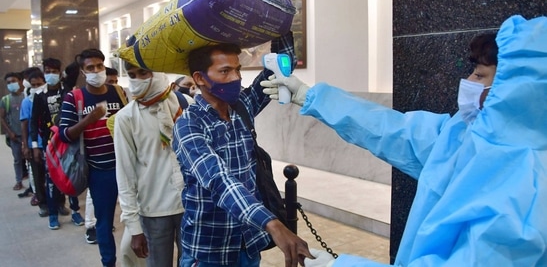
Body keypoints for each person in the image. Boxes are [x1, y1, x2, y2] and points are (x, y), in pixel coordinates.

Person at [262, 15, 547, 266]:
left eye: (480, 74)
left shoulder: (526, 191)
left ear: (516, 95)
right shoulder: (467, 134)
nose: (469, 80)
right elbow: (394, 130)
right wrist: (310, 97)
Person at [172, 39, 312, 267]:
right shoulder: (189, 125)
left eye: (238, 69)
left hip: (248, 243)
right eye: (225, 71)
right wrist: (274, 224)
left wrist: (281, 26)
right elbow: (220, 180)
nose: (236, 78)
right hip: (210, 249)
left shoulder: (242, 106)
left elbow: (280, 67)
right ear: (199, 78)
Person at [58, 48, 127, 267]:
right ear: (82, 71)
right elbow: (64, 134)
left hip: (127, 167)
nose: (97, 71)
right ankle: (109, 263)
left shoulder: (119, 92)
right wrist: (89, 120)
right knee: (105, 222)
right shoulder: (74, 97)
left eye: (100, 66)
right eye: (91, 68)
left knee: (138, 218)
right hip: (100, 171)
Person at [114, 62, 185, 267]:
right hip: (154, 211)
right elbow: (125, 174)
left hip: (189, 206)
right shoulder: (126, 117)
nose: (137, 80)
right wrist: (134, 228)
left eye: (143, 72)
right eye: (132, 75)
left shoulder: (184, 104)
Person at [30, 57, 83, 230]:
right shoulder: (39, 95)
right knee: (51, 179)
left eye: (54, 71)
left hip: (69, 142)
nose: (50, 74)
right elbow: (33, 121)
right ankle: (53, 214)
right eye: (47, 71)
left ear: (59, 73)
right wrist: (34, 146)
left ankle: (75, 211)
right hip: (49, 144)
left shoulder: (67, 90)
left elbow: (74, 69)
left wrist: (77, 60)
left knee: (72, 176)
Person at [20, 69, 49, 217]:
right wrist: (26, 145)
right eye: (33, 85)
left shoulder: (49, 98)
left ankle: (58, 203)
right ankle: (43, 204)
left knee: (55, 176)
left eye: (39, 84)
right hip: (34, 145)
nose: (36, 87)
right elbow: (25, 124)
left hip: (50, 143)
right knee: (38, 176)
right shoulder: (27, 101)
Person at [1, 72, 26, 191]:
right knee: (17, 159)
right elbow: (1, 117)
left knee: (30, 159)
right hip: (14, 135)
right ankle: (19, 181)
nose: (11, 84)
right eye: (8, 83)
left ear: (20, 81)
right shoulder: (5, 100)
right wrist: (9, 133)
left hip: (26, 135)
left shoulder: (26, 96)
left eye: (13, 81)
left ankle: (33, 184)